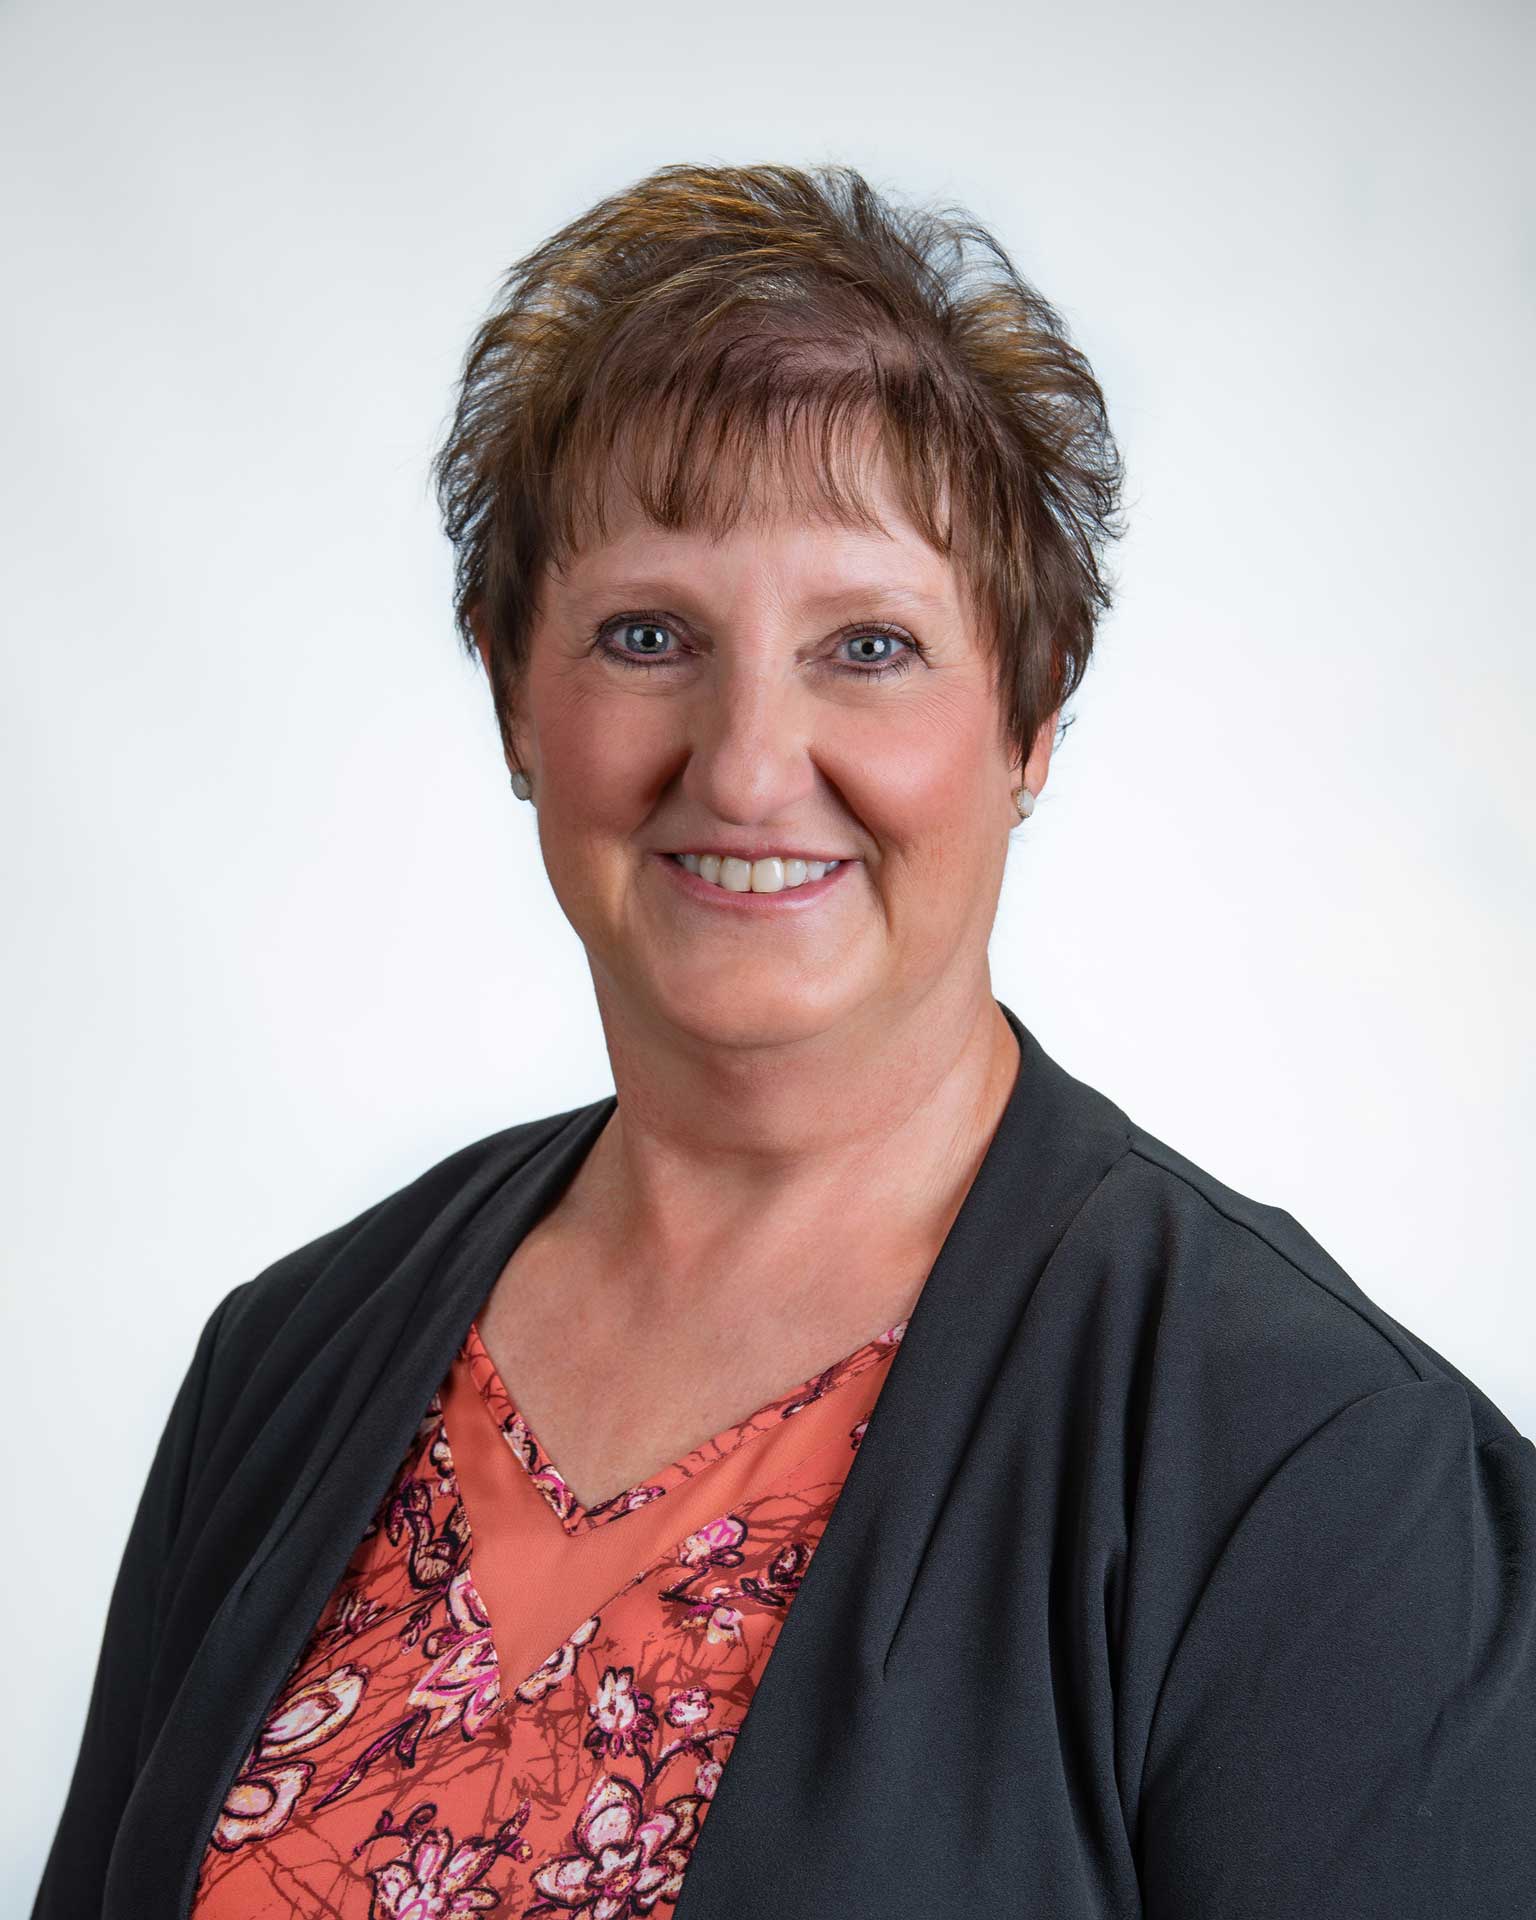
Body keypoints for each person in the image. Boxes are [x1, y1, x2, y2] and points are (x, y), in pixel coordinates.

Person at [33, 161, 1535, 1920]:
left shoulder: (1324, 1476)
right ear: (518, 695)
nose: (748, 763)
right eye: (648, 635)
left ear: (1033, 721)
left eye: (870, 646)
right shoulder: (284, 1368)